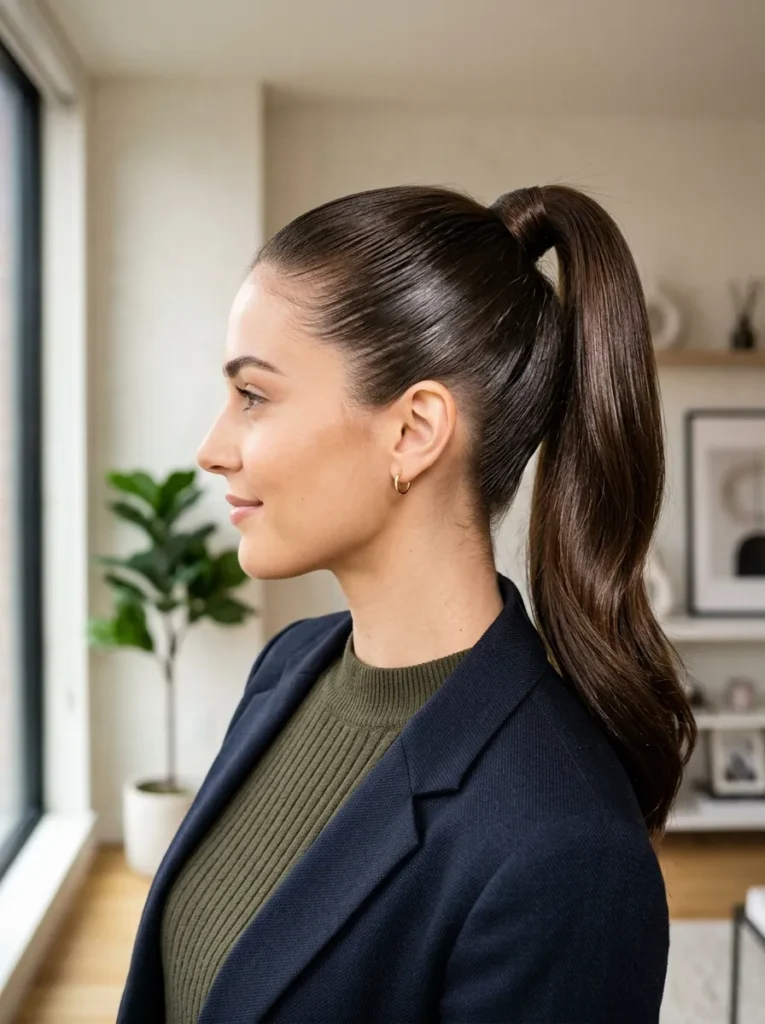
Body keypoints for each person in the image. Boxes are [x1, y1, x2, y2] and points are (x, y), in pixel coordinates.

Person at [118, 183, 698, 1024]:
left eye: (253, 396)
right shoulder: (289, 668)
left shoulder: (564, 848)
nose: (212, 449)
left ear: (414, 430)